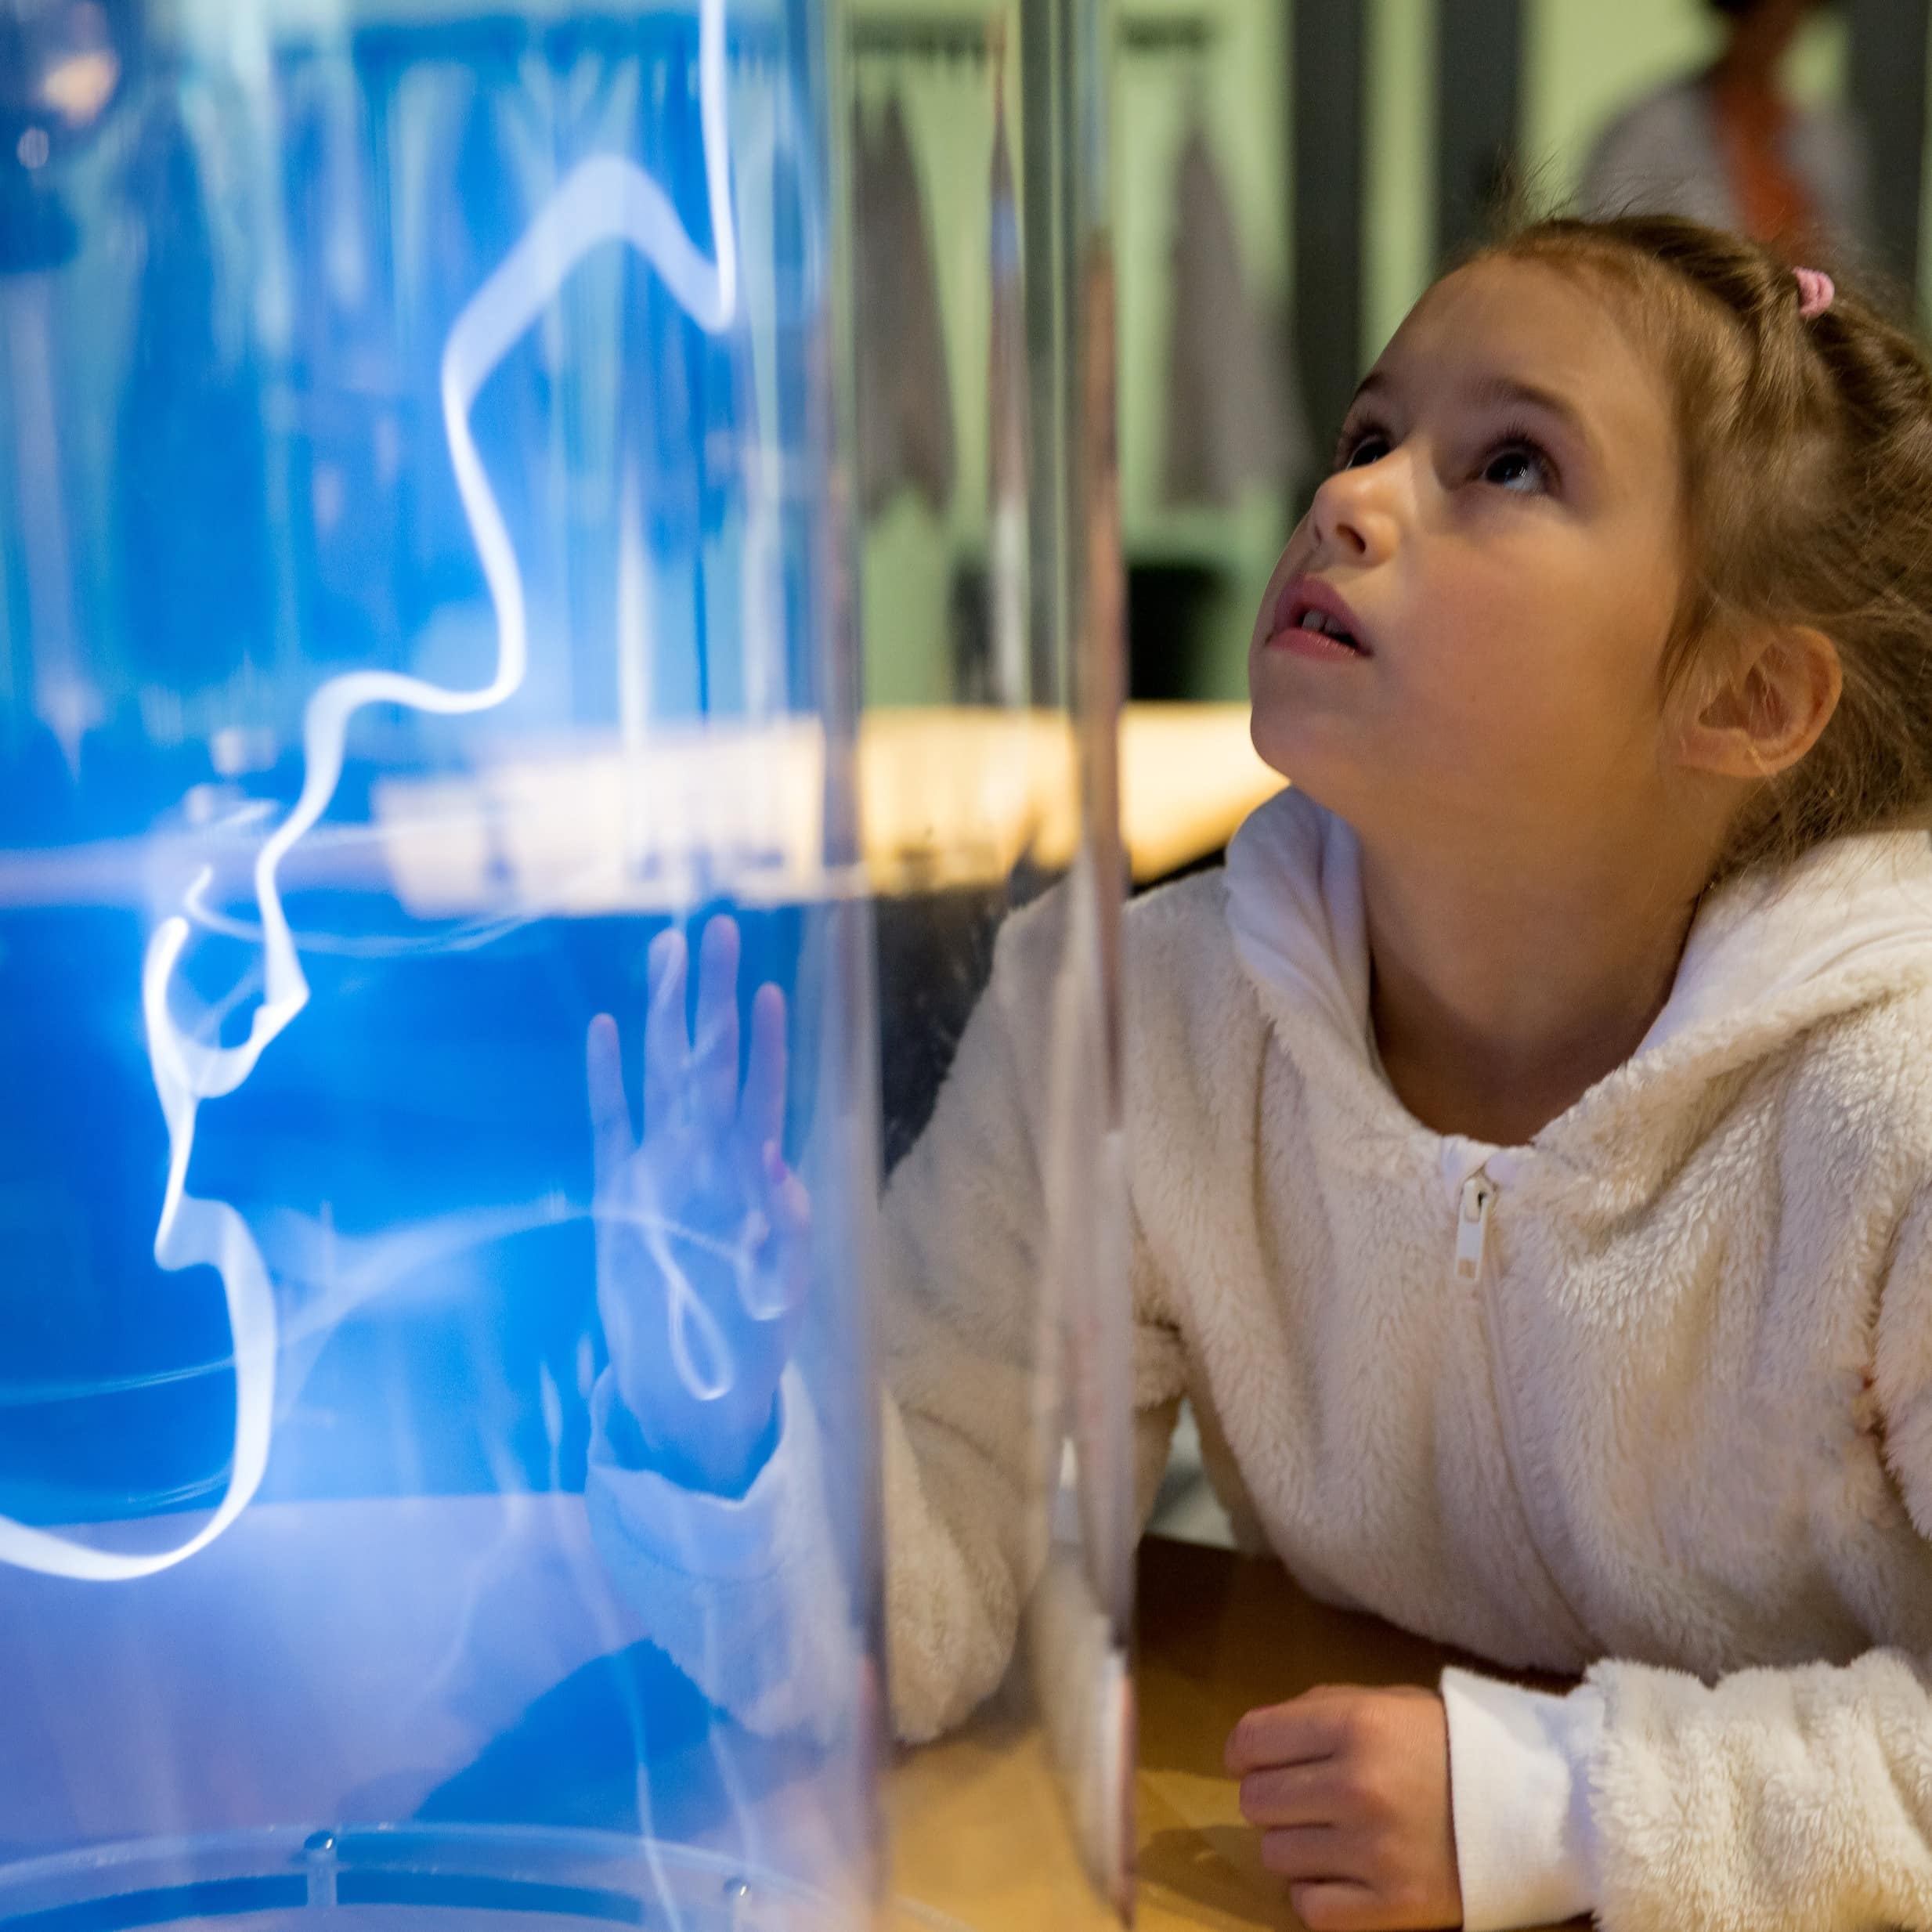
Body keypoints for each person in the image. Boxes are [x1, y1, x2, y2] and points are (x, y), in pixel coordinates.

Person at [581, 216, 1932, 1932]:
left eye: (1506, 464)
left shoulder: (1896, 1096)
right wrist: (718, 1424)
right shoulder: (1128, 1018)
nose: (1351, 500)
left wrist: (1560, 1810)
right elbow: (915, 1604)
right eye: (1370, 435)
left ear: (1747, 697)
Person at [1580, 0, 1869, 265]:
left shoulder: (1827, 139)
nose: (1780, 20)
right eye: (1765, 9)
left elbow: (1851, 271)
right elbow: (1613, 258)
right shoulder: (1648, 134)